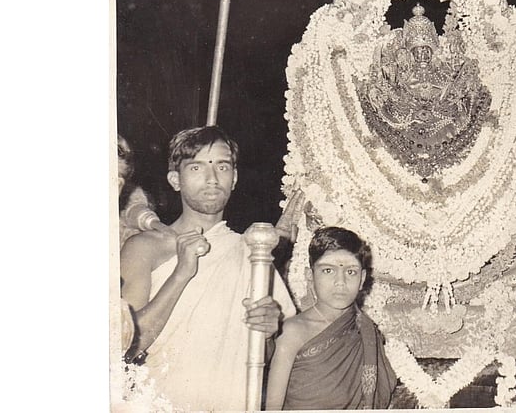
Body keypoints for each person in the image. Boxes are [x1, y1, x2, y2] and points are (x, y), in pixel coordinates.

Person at [119, 126, 298, 411]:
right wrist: (182, 273)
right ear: (175, 180)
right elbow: (124, 347)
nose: (212, 178)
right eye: (197, 167)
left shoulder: (253, 252)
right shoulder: (144, 248)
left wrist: (266, 332)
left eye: (222, 166)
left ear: (234, 178)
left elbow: (261, 357)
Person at [265, 227, 397, 410]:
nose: (340, 282)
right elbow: (272, 408)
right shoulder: (293, 332)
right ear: (309, 277)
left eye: (351, 272)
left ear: (362, 279)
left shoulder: (366, 331)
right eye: (328, 270)